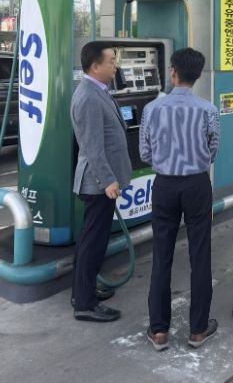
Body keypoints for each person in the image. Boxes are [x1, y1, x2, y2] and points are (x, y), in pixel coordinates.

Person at [140, 48, 220, 351]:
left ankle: (159, 330)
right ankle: (198, 330)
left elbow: (145, 152)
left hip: (164, 185)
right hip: (197, 184)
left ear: (173, 72)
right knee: (200, 255)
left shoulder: (152, 109)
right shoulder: (208, 109)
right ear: (197, 75)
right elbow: (213, 149)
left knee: (161, 254)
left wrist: (166, 161)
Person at [71, 41, 132, 322]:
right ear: (95, 66)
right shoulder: (88, 97)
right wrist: (108, 180)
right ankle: (85, 304)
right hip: (97, 183)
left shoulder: (99, 91)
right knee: (92, 243)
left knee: (92, 240)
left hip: (101, 182)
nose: (115, 66)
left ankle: (83, 291)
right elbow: (92, 147)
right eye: (111, 61)